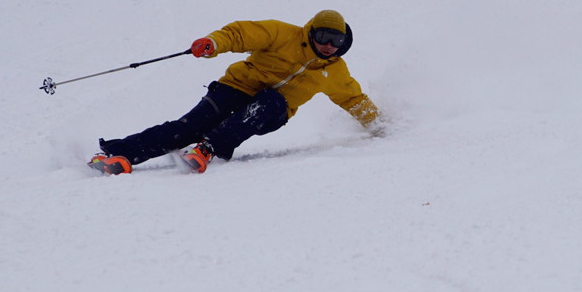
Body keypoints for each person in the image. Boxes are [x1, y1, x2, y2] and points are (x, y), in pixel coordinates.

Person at [88, 10, 381, 174]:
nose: (329, 45)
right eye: (324, 37)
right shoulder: (282, 33)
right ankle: (120, 154)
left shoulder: (336, 70)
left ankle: (209, 148)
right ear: (311, 32)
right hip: (236, 87)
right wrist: (213, 43)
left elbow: (353, 99)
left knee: (267, 102)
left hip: (272, 110)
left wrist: (380, 125)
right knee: (190, 127)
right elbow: (241, 33)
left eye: (336, 40)